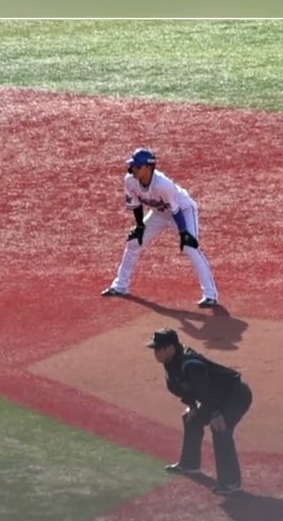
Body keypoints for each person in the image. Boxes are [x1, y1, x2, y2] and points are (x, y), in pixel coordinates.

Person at [102, 148, 220, 308]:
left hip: (183, 211)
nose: (133, 170)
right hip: (159, 213)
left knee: (190, 248)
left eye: (137, 167)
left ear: (149, 167)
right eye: (132, 166)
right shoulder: (130, 180)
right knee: (134, 242)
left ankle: (210, 295)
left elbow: (176, 210)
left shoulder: (162, 185)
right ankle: (120, 286)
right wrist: (140, 226)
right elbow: (136, 205)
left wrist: (184, 233)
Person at [148, 327, 252, 495]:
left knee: (220, 429)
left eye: (158, 349)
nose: (155, 353)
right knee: (191, 419)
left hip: (235, 395)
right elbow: (187, 390)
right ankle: (190, 464)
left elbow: (205, 391)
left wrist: (216, 414)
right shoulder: (171, 363)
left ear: (170, 348)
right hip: (216, 397)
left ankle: (231, 482)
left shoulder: (190, 364)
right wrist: (193, 407)